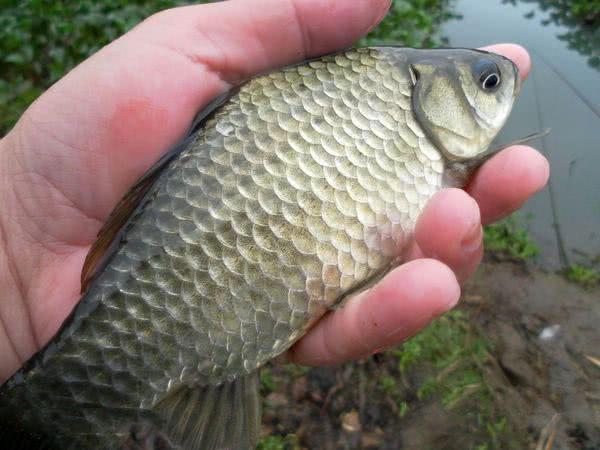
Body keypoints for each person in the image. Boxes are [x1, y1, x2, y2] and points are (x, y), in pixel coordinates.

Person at [0, 0, 549, 383]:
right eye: (488, 82)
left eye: (488, 81)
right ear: (428, 94)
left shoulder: (397, 109)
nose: (497, 86)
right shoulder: (383, 87)